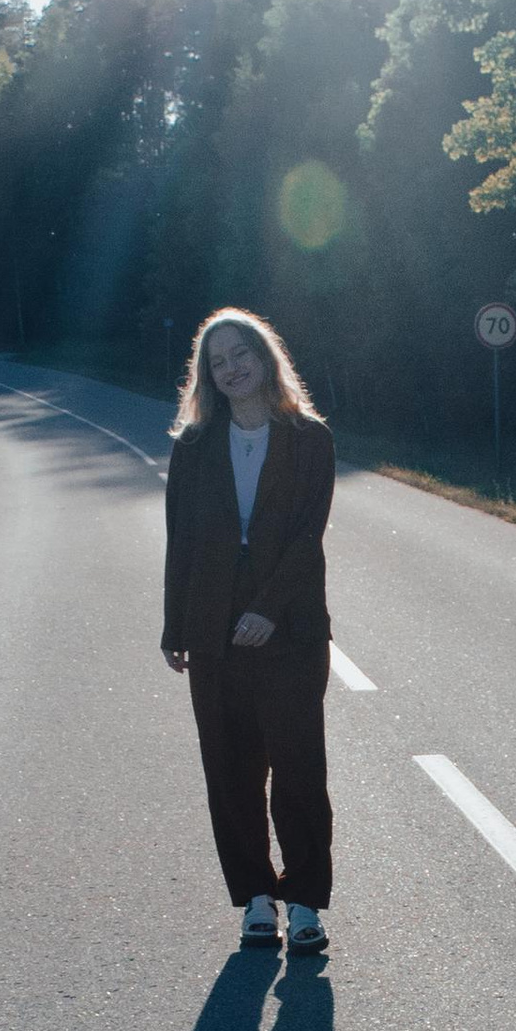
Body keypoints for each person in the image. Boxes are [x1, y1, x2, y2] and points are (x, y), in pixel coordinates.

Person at [161, 309, 336, 954]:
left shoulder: (309, 439)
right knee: (230, 771)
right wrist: (174, 625)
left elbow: (306, 537)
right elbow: (180, 539)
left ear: (265, 358)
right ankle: (256, 898)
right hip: (209, 629)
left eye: (242, 355)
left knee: (297, 768)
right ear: (207, 376)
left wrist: (267, 607)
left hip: (289, 628)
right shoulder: (193, 446)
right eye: (218, 361)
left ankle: (307, 903)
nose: (232, 368)